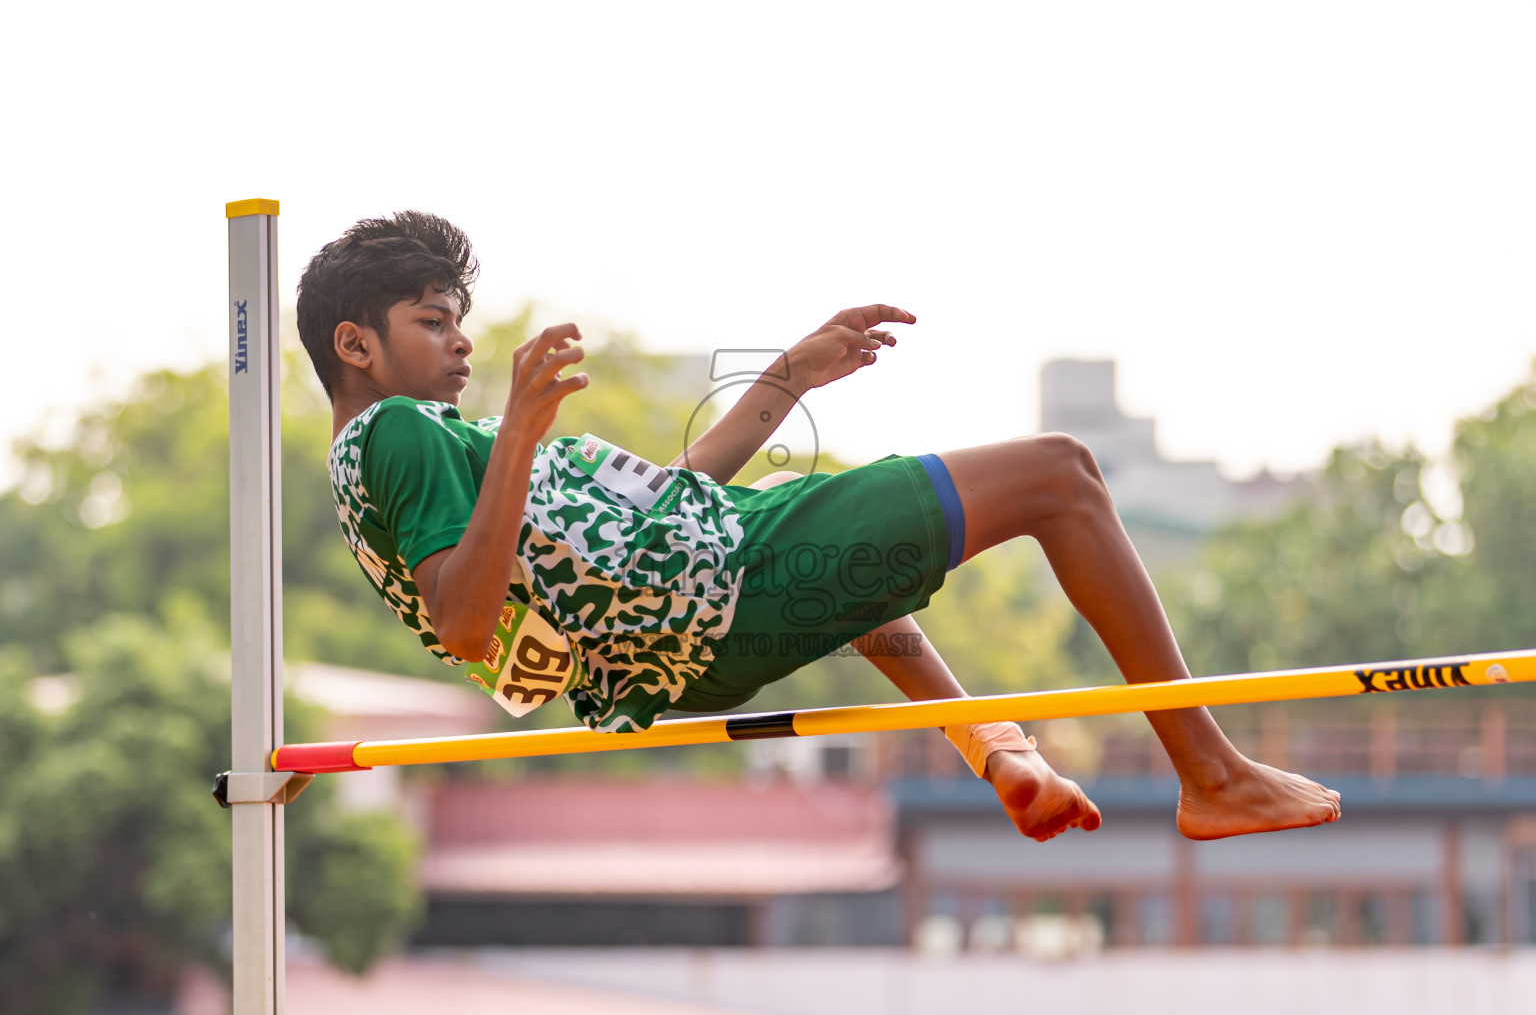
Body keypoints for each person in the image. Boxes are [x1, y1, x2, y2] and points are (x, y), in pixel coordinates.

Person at [298, 211, 1342, 843]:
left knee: (867, 590)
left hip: (697, 600)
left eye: (458, 319)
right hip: (724, 591)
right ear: (356, 343)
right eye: (431, 321)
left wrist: (786, 379)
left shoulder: (388, 458)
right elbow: (468, 626)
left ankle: (1002, 753)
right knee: (1062, 475)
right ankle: (1212, 774)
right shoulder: (400, 432)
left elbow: (658, 512)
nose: (462, 342)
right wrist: (521, 433)